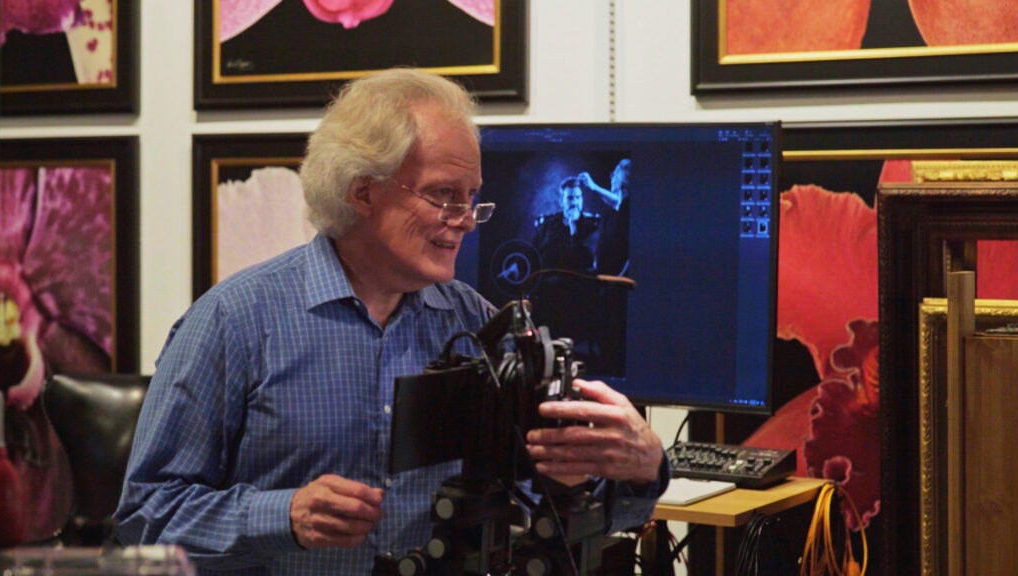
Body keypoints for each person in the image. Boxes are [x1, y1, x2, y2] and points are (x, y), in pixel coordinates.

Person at [114, 68, 668, 575]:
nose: (466, 221)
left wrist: (641, 467)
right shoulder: (233, 323)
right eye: (443, 196)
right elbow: (144, 518)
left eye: (472, 198)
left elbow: (557, 507)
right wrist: (283, 516)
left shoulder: (476, 326)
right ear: (363, 191)